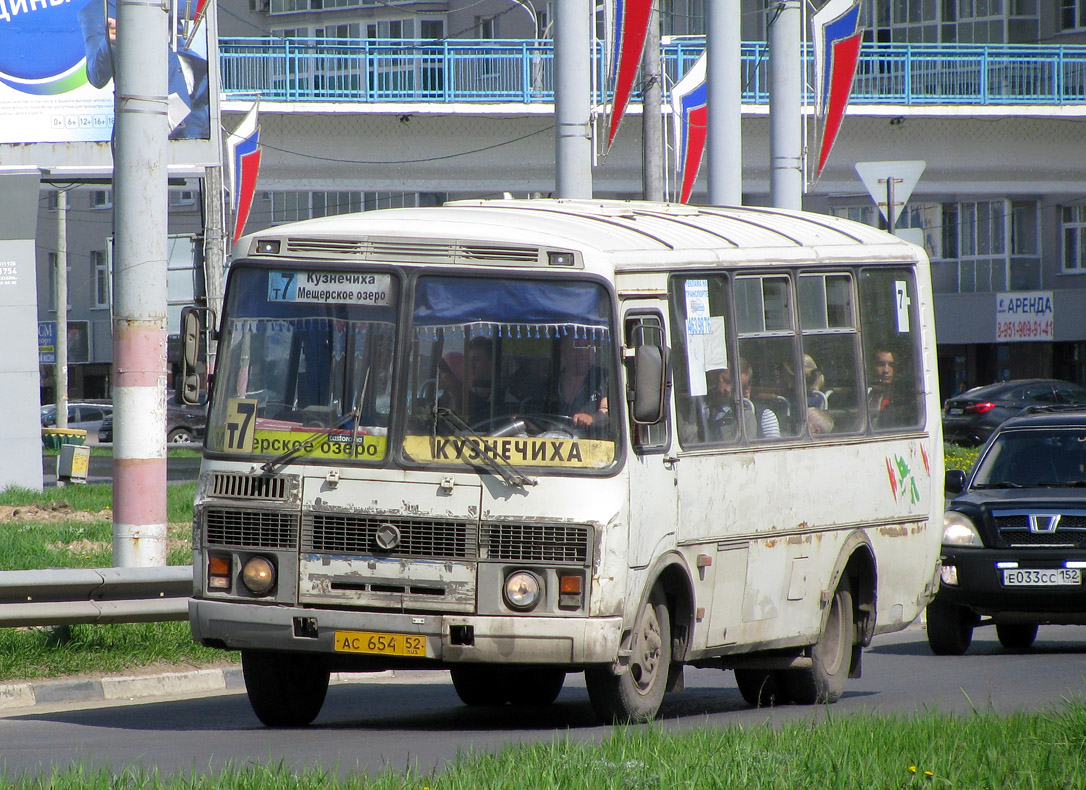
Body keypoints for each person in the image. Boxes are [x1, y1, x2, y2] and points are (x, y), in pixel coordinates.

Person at [78, 0, 210, 139]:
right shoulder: (94, 11)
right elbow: (96, 76)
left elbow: (201, 6)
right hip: (156, 110)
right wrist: (110, 43)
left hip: (197, 95)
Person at [705, 358, 779, 440]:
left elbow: (777, 451)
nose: (728, 389)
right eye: (726, 381)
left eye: (736, 386)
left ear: (745, 388)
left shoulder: (764, 416)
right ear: (716, 376)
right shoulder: (701, 409)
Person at [548, 332, 609, 432]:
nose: (584, 352)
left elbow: (606, 411)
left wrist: (591, 419)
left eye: (588, 346)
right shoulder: (551, 385)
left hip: (593, 444)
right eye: (577, 346)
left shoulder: (603, 379)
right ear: (563, 349)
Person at [867, 345, 897, 426]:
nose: (886, 370)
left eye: (891, 365)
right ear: (872, 366)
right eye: (881, 364)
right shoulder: (866, 394)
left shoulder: (899, 399)